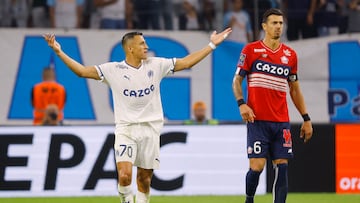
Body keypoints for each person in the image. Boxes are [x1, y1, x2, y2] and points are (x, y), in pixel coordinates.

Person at [43, 28, 232, 203]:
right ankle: (126, 199)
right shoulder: (113, 70)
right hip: (126, 129)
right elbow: (82, 72)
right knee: (125, 175)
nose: (146, 47)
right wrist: (59, 51)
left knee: (144, 179)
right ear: (130, 48)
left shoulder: (156, 65)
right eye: (142, 43)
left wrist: (212, 45)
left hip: (150, 129)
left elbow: (187, 62)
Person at [232, 9, 313, 203]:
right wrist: (242, 104)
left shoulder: (290, 55)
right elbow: (236, 81)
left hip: (281, 122)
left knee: (282, 166)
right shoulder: (250, 50)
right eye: (274, 23)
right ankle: (249, 199)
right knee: (257, 167)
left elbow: (294, 89)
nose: (278, 26)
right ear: (264, 26)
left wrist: (306, 118)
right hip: (257, 120)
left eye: (280, 23)